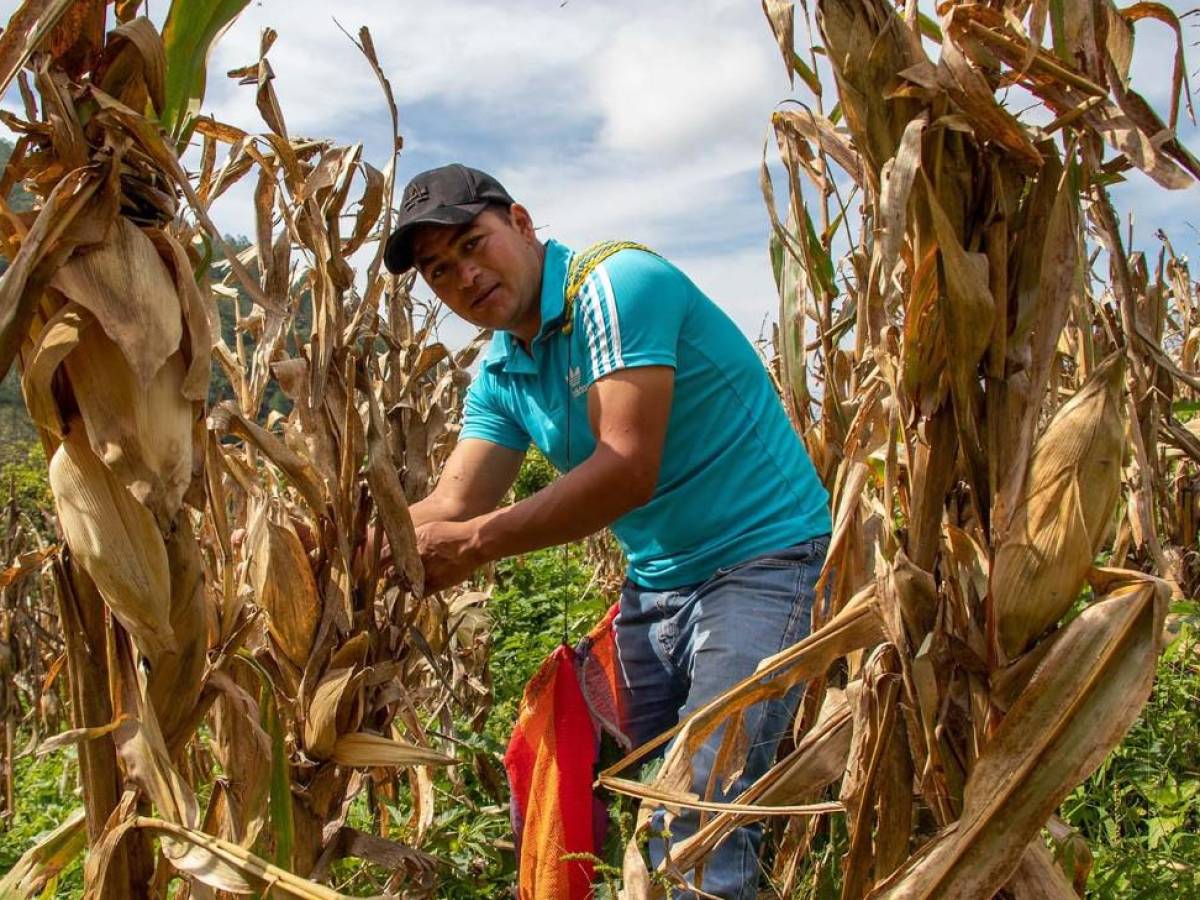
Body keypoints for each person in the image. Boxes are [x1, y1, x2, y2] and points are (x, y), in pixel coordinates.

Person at [385, 163, 830, 900]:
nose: (464, 275)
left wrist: (473, 547)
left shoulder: (616, 287)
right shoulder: (504, 369)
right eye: (439, 270)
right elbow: (454, 501)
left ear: (521, 224)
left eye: (473, 244)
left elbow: (625, 469)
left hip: (764, 563)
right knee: (593, 784)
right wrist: (340, 543)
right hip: (657, 592)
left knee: (696, 821)